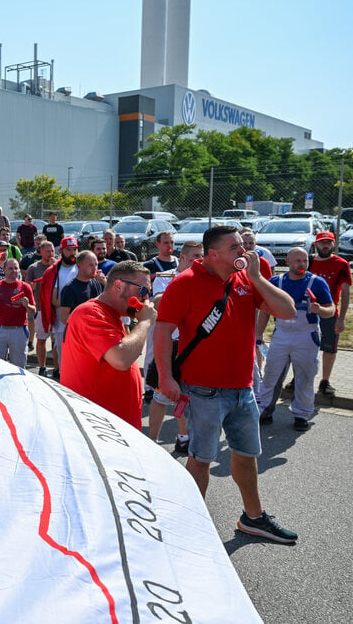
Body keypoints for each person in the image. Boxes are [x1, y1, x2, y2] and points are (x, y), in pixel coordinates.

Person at [154, 224, 298, 543]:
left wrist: (259, 278)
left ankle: (254, 517)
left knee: (247, 455)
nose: (244, 252)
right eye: (235, 247)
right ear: (213, 253)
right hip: (202, 390)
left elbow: (287, 312)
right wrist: (165, 377)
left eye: (243, 246)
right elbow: (162, 330)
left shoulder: (246, 278)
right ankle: (189, 523)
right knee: (201, 459)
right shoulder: (185, 283)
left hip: (243, 388)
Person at [62, 261, 156, 431]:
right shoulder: (91, 313)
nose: (145, 298)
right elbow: (121, 359)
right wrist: (145, 322)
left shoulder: (111, 314)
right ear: (118, 286)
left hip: (112, 426)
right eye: (142, 290)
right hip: (99, 428)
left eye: (148, 292)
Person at [256, 248, 334, 430]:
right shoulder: (276, 282)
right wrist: (259, 334)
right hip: (282, 333)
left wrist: (320, 310)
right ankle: (265, 410)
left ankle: (301, 414)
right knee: (272, 374)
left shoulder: (317, 282)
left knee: (305, 375)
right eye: (297, 261)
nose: (301, 264)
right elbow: (265, 310)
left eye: (305, 260)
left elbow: (330, 309)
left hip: (306, 335)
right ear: (288, 263)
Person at [143, 241, 201, 452]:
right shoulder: (166, 277)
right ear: (183, 258)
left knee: (186, 397)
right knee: (160, 397)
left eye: (201, 256)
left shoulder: (203, 278)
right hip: (169, 346)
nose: (199, 260)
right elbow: (157, 302)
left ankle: (183, 437)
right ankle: (152, 440)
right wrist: (179, 282)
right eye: (195, 256)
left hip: (192, 346)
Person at [308, 231, 351, 397]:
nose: (325, 246)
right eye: (321, 242)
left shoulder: (341, 264)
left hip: (329, 314)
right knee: (302, 348)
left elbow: (346, 293)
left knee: (329, 349)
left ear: (333, 244)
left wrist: (341, 319)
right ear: (316, 244)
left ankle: (325, 382)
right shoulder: (308, 261)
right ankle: (299, 378)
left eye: (328, 242)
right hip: (307, 313)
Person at [37, 236, 79, 379]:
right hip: (62, 319)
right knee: (61, 351)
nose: (72, 253)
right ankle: (64, 377)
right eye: (69, 250)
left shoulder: (82, 267)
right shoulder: (53, 271)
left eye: (74, 249)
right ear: (61, 251)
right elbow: (53, 299)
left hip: (81, 317)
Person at [0, 258, 35, 368]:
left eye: (16, 268)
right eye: (10, 268)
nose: (14, 271)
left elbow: (33, 310)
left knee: (18, 367)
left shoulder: (25, 287)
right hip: (0, 330)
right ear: (4, 270)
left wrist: (27, 305)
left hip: (18, 331)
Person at [25, 241, 55, 375]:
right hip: (41, 308)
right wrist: (32, 286)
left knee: (56, 340)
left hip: (55, 308)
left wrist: (54, 266)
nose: (51, 254)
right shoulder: (33, 268)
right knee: (42, 339)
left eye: (52, 250)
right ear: (41, 252)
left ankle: (57, 368)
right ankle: (42, 367)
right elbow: (27, 286)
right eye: (48, 251)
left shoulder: (59, 266)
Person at [59, 251, 105, 325]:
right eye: (90, 265)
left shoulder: (98, 282)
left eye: (96, 264)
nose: (95, 268)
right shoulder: (69, 288)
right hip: (82, 331)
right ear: (79, 265)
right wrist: (84, 326)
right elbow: (63, 317)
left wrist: (105, 283)